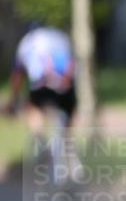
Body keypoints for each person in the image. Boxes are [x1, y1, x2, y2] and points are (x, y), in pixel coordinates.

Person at [7, 22, 81, 183]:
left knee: (34, 109)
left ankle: (40, 141)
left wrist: (13, 100)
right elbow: (74, 65)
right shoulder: (61, 37)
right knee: (66, 119)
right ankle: (69, 148)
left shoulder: (27, 42)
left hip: (42, 86)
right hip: (67, 88)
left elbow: (18, 75)